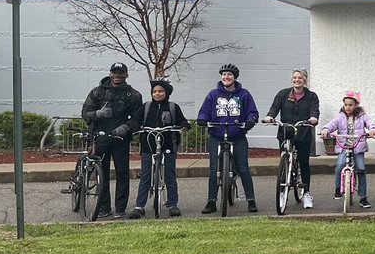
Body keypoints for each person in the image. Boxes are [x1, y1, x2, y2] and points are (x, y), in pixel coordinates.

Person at [80, 61, 143, 218]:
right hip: (100, 139)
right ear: (110, 74)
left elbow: (138, 118)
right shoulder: (97, 92)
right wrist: (98, 114)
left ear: (126, 75)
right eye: (114, 73)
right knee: (103, 174)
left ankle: (120, 208)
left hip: (120, 140)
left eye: (121, 73)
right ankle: (104, 207)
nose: (117, 76)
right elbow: (85, 112)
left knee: (122, 173)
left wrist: (127, 128)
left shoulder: (133, 95)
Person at [196, 64, 260, 214]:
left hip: (237, 135)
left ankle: (251, 200)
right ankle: (211, 201)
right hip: (217, 135)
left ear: (234, 77)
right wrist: (202, 119)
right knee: (213, 169)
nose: (226, 77)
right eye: (224, 74)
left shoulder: (244, 94)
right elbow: (204, 111)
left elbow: (252, 111)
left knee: (243, 168)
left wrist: (251, 119)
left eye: (229, 75)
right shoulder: (213, 95)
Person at [127, 78, 190, 218]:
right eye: (154, 91)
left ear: (166, 93)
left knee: (170, 175)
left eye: (160, 91)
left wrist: (184, 125)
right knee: (145, 176)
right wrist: (133, 127)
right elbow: (136, 120)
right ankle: (139, 206)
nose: (157, 94)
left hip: (168, 145)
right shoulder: (146, 106)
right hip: (148, 145)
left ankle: (172, 204)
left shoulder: (173, 107)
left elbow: (182, 120)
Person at [262, 69, 320, 210]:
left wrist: (313, 118)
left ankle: (306, 193)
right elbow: (274, 108)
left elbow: (315, 110)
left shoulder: (311, 96)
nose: (297, 80)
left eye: (300, 78)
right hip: (286, 132)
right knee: (284, 161)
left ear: (305, 80)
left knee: (304, 162)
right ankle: (282, 191)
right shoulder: (283, 94)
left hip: (303, 132)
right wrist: (270, 116)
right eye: (294, 77)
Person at [320, 91, 375, 209]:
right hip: (344, 145)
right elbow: (332, 124)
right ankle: (338, 188)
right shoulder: (340, 116)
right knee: (340, 164)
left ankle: (363, 197)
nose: (348, 107)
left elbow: (370, 123)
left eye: (350, 105)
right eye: (346, 104)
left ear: (356, 105)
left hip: (358, 146)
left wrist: (372, 129)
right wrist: (326, 129)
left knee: (361, 169)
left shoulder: (362, 116)